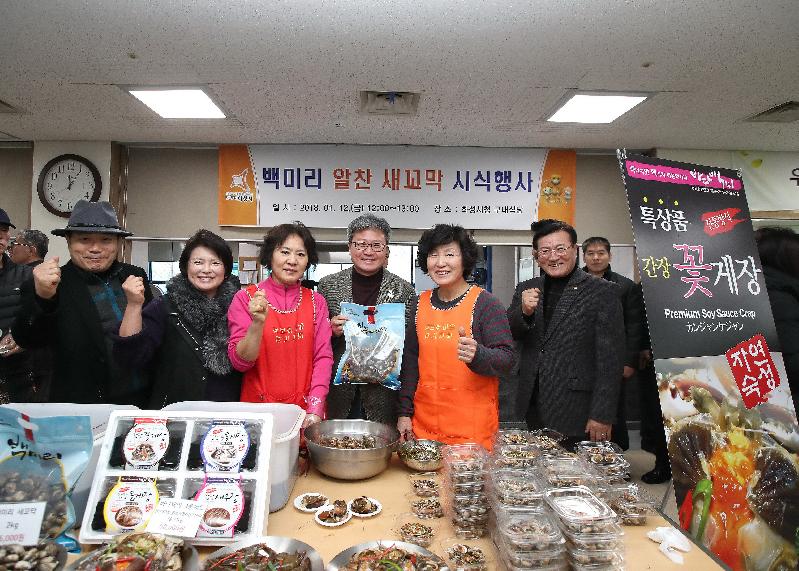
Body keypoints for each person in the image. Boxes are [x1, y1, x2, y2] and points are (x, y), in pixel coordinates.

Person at [13, 200, 154, 406]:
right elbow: (27, 339)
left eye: (106, 240)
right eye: (84, 239)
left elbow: (152, 330)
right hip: (81, 403)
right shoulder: (50, 283)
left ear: (117, 243)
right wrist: (43, 297)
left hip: (139, 398)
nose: (95, 248)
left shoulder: (135, 275)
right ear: (69, 241)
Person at [508, 219, 624, 449]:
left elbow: (611, 360)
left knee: (575, 467)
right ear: (536, 255)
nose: (553, 257)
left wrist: (602, 414)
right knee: (539, 463)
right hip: (532, 399)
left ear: (575, 250)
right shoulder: (526, 287)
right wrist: (524, 312)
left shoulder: (603, 291)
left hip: (576, 405)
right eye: (545, 251)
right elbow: (512, 332)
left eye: (560, 249)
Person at [397, 224, 514, 450]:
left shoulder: (486, 304)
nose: (440, 263)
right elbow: (410, 363)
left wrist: (478, 354)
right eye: (433, 255)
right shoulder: (419, 304)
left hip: (471, 430)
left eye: (450, 254)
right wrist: (404, 413)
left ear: (465, 259)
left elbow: (507, 359)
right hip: (425, 427)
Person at [114, 229, 242, 407]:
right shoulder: (164, 306)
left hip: (228, 409)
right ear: (186, 266)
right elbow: (131, 356)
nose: (206, 270)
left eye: (215, 263)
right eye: (198, 262)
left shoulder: (240, 306)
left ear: (226, 269)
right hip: (175, 410)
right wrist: (134, 305)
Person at [228, 222, 333, 428]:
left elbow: (323, 357)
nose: (292, 261)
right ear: (270, 255)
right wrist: (257, 323)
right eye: (285, 252)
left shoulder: (316, 301)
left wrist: (316, 408)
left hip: (305, 414)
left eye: (300, 254)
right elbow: (240, 363)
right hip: (258, 414)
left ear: (308, 261)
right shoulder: (245, 298)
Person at [317, 214, 416, 424]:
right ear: (350, 247)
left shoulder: (404, 291)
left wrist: (405, 410)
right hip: (339, 392)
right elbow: (315, 342)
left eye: (376, 245)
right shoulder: (328, 286)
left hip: (384, 395)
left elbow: (409, 352)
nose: (368, 252)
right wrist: (330, 331)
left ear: (387, 250)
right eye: (361, 244)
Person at [581, 236, 644, 450]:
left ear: (610, 255)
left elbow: (633, 327)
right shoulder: (574, 283)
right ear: (583, 257)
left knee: (614, 407)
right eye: (591, 253)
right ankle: (586, 453)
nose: (596, 258)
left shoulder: (625, 286)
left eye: (601, 253)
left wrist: (629, 362)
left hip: (614, 360)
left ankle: (615, 454)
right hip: (584, 358)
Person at [755, 226, 799, 410]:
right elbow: (792, 362)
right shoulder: (779, 297)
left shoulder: (758, 287)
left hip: (768, 396)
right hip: (784, 404)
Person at [0, 209, 39, 402]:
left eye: (4, 230)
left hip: (18, 374)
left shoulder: (26, 275)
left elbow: (39, 317)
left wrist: (22, 337)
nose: (0, 235)